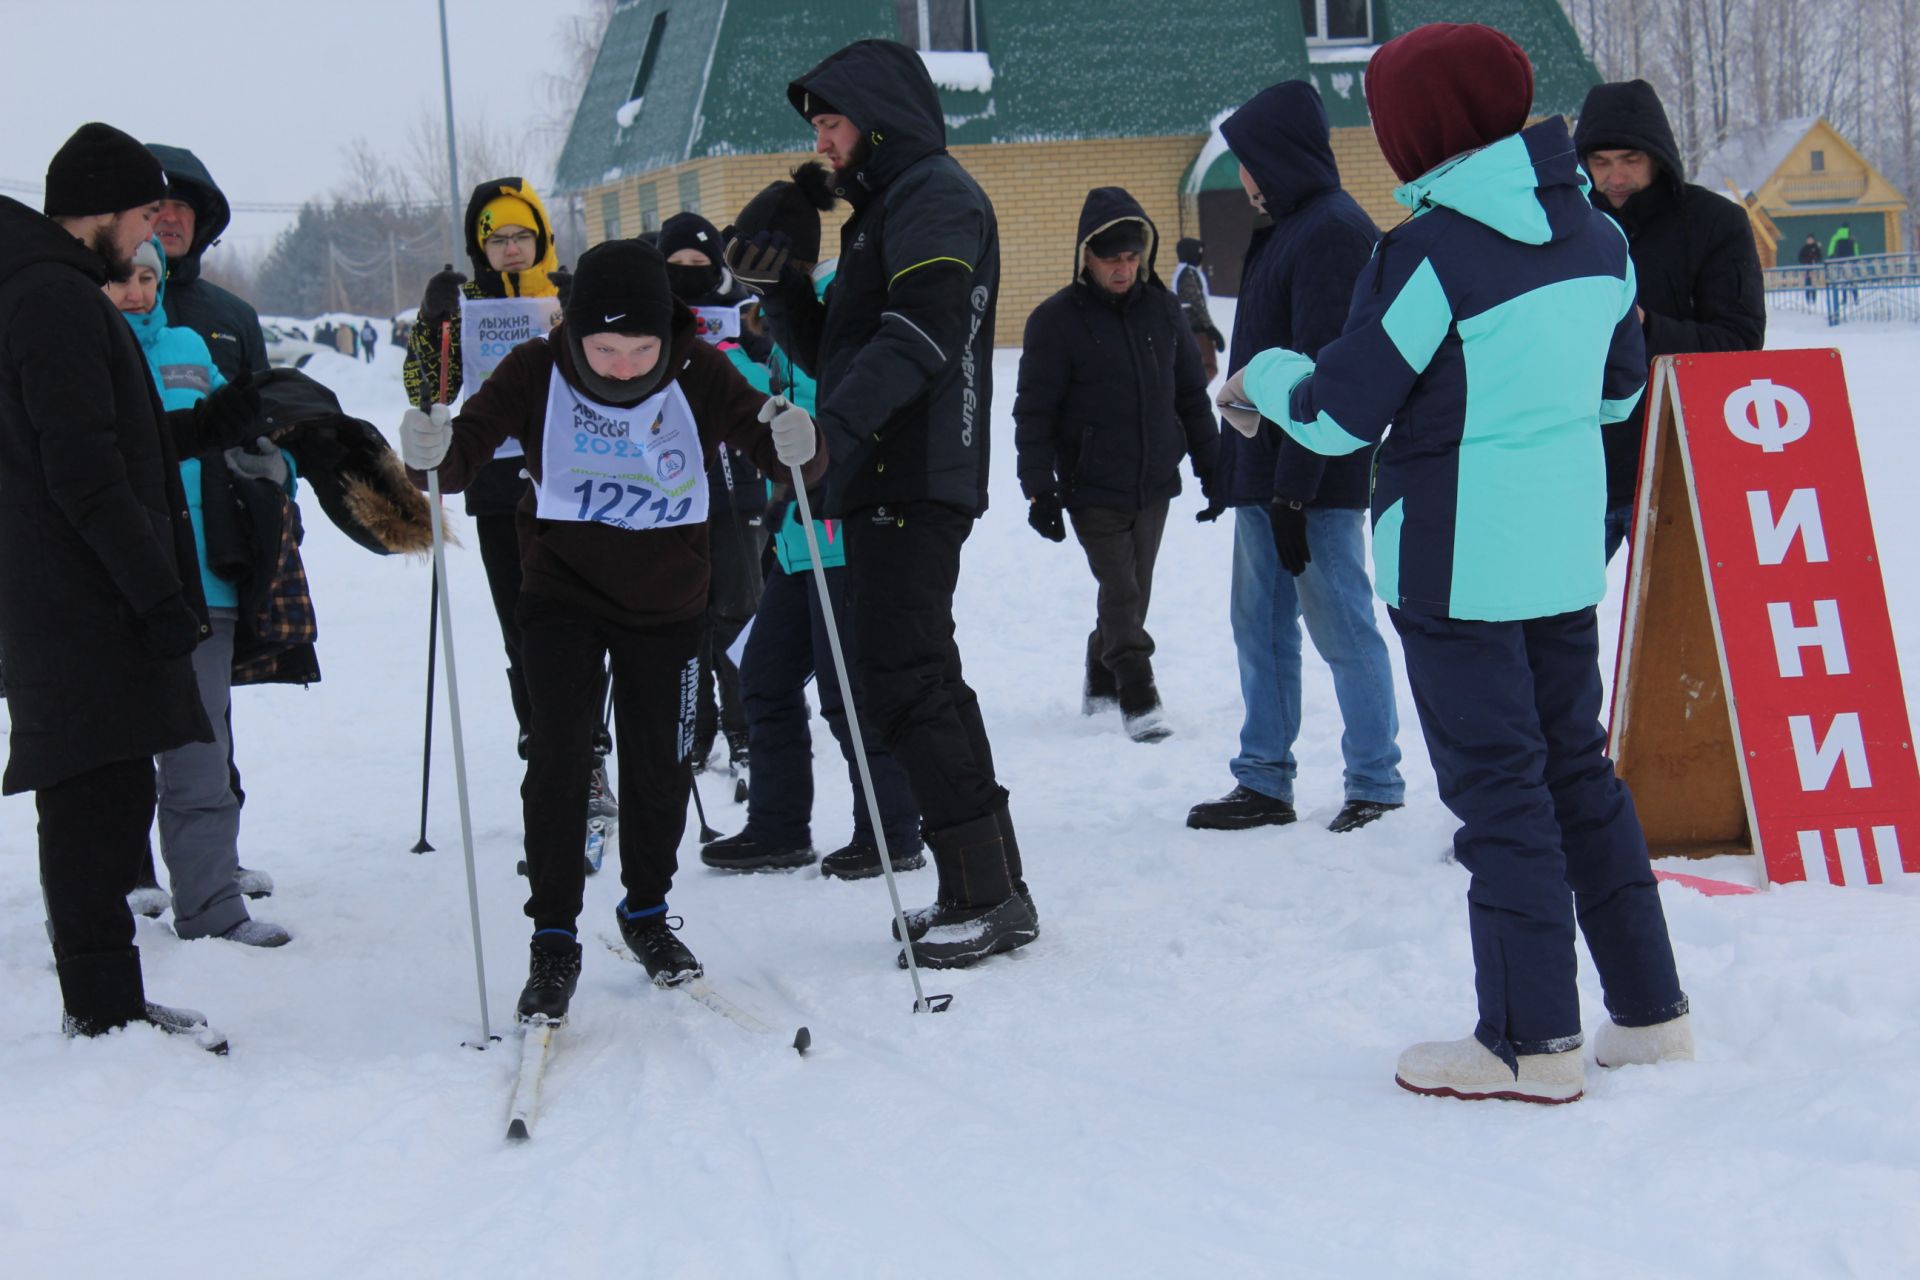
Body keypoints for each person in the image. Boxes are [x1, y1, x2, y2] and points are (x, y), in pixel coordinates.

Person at [1225, 23, 1692, 1104]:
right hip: (1565, 550)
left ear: (1419, 134)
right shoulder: (1597, 238)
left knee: (1502, 798)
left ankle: (1531, 1039)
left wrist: (1264, 372)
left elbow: (1340, 411)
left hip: (1455, 562)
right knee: (1577, 772)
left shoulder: (1428, 253)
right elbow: (1622, 390)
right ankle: (1650, 1011)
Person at [398, 238, 826, 1023]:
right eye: (604, 348)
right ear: (574, 333)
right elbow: (460, 456)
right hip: (561, 594)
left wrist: (801, 439)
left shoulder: (697, 369)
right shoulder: (535, 368)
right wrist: (431, 449)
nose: (624, 365)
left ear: (669, 331)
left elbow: (774, 448)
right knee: (559, 762)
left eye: (641, 348)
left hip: (668, 603)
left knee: (663, 766)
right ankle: (553, 936)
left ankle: (645, 913)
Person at [736, 38, 1038, 968]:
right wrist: (783, 288)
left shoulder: (935, 195)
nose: (821, 143)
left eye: (830, 122)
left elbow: (924, 332)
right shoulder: (882, 211)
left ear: (877, 117)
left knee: (903, 678)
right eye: (817, 127)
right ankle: (980, 881)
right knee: (916, 677)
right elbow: (841, 352)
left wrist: (835, 433)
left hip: (918, 472)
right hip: (882, 474)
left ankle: (988, 893)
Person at [0, 123, 237, 1049]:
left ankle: (107, 1005)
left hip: (65, 586)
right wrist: (155, 596)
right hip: (81, 595)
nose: (146, 236)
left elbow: (103, 441)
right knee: (93, 807)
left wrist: (215, 422)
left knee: (101, 798)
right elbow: (85, 472)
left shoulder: (41, 289)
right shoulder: (52, 298)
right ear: (97, 208)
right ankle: (103, 1016)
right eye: (141, 215)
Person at [1186, 81, 1405, 836]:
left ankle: (1376, 780)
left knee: (1342, 627)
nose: (1243, 178)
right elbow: (1256, 361)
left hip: (1314, 480)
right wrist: (1237, 475)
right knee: (1261, 629)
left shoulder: (1334, 233)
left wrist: (1294, 493)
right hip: (1265, 474)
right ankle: (1264, 779)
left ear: (1279, 157)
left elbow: (1324, 373)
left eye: (1249, 161)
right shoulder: (1287, 228)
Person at [701, 164, 927, 878]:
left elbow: (846, 395)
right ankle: (777, 825)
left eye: (757, 260)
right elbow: (736, 395)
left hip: (846, 542)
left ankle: (891, 831)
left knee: (851, 696)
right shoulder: (762, 327)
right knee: (764, 680)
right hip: (796, 551)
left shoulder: (838, 307)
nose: (746, 278)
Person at [403, 178, 619, 849]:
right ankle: (549, 750)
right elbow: (428, 392)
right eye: (496, 238)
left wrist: (588, 312)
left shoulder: (564, 293)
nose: (511, 248)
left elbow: (616, 374)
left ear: (540, 237)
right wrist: (433, 325)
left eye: (521, 235)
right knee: (524, 625)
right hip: (500, 489)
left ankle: (590, 754)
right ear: (480, 245)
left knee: (588, 622)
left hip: (576, 480)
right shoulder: (465, 307)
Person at [106, 238, 294, 948]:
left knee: (200, 753)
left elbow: (233, 427)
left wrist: (274, 464)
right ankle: (103, 905)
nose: (136, 290)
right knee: (105, 763)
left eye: (148, 276)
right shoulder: (72, 347)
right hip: (107, 585)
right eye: (120, 277)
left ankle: (212, 908)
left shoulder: (187, 344)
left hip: (200, 582)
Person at [1013, 187, 1218, 743]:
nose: (1123, 269)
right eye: (1111, 259)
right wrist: (1039, 488)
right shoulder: (1055, 321)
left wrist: (1214, 468)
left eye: (1131, 258)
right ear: (1086, 256)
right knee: (1121, 590)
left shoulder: (1162, 311)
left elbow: (1190, 396)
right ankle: (1137, 692)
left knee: (1133, 588)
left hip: (1153, 481)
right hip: (1090, 485)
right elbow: (1033, 412)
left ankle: (1099, 674)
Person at [1573, 80, 1764, 563]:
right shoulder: (1561, 228)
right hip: (1577, 465)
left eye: (1630, 160)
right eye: (1601, 162)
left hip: (1679, 468)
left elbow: (1740, 342)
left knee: (1682, 629)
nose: (1615, 176)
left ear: (1659, 156)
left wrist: (1642, 326)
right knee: (1548, 625)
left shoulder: (1715, 223)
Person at [659, 209, 769, 798]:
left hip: (738, 479)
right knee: (684, 612)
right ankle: (695, 729)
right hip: (669, 485)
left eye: (699, 266)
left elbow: (776, 375)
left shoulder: (746, 309)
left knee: (739, 606)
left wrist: (745, 343)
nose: (687, 276)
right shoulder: (648, 318)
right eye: (674, 267)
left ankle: (747, 727)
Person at [145, 145, 269, 383]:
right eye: (158, 205)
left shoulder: (237, 316)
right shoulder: (106, 303)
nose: (170, 217)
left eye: (182, 206)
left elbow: (264, 411)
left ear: (199, 221)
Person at [1171, 237, 1225, 383]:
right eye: (1198, 252)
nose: (1200, 255)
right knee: (1207, 368)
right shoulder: (1188, 273)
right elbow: (1197, 303)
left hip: (1190, 327)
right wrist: (1211, 328)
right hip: (1195, 328)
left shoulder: (1184, 271)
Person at [1797, 233, 1823, 304]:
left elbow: (1819, 257)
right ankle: (1808, 299)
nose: (1809, 241)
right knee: (1807, 283)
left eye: (1811, 239)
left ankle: (1814, 299)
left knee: (1814, 283)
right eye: (1808, 239)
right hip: (1806, 268)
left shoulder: (1816, 248)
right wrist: (1804, 262)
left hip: (1813, 267)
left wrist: (1815, 260)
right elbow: (1800, 258)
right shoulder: (1804, 248)